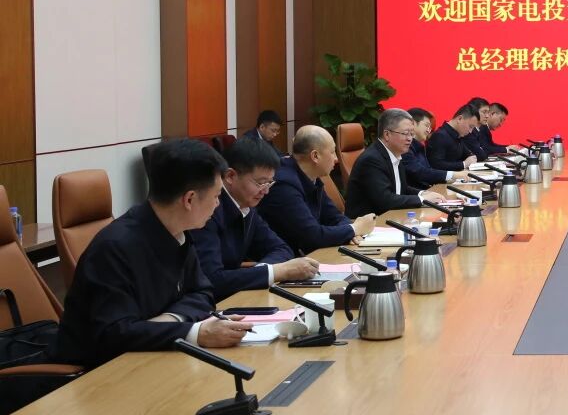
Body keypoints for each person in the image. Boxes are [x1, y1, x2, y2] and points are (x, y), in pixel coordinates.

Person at [55, 139, 253, 368]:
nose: (218, 204)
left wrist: (170, 320)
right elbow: (113, 334)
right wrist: (195, 332)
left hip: (152, 358)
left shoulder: (177, 231)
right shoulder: (114, 248)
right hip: (96, 373)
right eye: (216, 196)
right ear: (189, 199)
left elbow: (203, 292)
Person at [191, 137, 319, 300]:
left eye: (269, 183)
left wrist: (262, 271)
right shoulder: (208, 211)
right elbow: (211, 279)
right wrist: (277, 271)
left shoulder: (247, 206)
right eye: (260, 183)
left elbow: (280, 248)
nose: (265, 191)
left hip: (237, 297)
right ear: (230, 176)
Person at [257, 125, 377, 255]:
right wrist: (354, 229)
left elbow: (334, 216)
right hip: (286, 260)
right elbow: (312, 236)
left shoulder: (311, 177)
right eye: (332, 152)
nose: (336, 159)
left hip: (308, 256)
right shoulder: (284, 185)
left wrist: (352, 232)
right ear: (315, 156)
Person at [344, 109, 448, 218]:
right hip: (370, 223)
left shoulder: (395, 154)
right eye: (405, 133)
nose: (410, 139)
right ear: (387, 134)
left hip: (390, 216)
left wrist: (423, 193)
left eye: (411, 134)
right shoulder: (372, 160)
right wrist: (422, 199)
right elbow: (385, 200)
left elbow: (401, 188)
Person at [403, 107, 456, 190]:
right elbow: (420, 172)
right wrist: (453, 175)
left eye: (430, 128)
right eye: (426, 125)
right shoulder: (404, 147)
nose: (429, 130)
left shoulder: (419, 146)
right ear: (413, 123)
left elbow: (428, 171)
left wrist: (450, 179)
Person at [427, 104, 482, 173]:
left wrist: (471, 158)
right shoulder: (440, 136)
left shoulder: (457, 135)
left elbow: (469, 155)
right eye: (470, 126)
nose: (470, 131)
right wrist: (463, 164)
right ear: (459, 119)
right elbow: (436, 165)